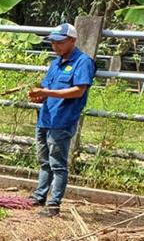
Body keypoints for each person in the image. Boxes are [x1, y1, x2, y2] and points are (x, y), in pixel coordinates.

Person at [27, 23, 95, 217]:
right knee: (43, 160)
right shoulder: (55, 62)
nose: (55, 46)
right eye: (53, 42)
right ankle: (39, 196)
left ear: (72, 41)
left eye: (59, 42)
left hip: (62, 119)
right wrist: (40, 95)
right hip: (46, 117)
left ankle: (54, 204)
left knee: (57, 163)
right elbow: (47, 88)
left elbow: (79, 90)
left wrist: (46, 92)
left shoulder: (83, 62)